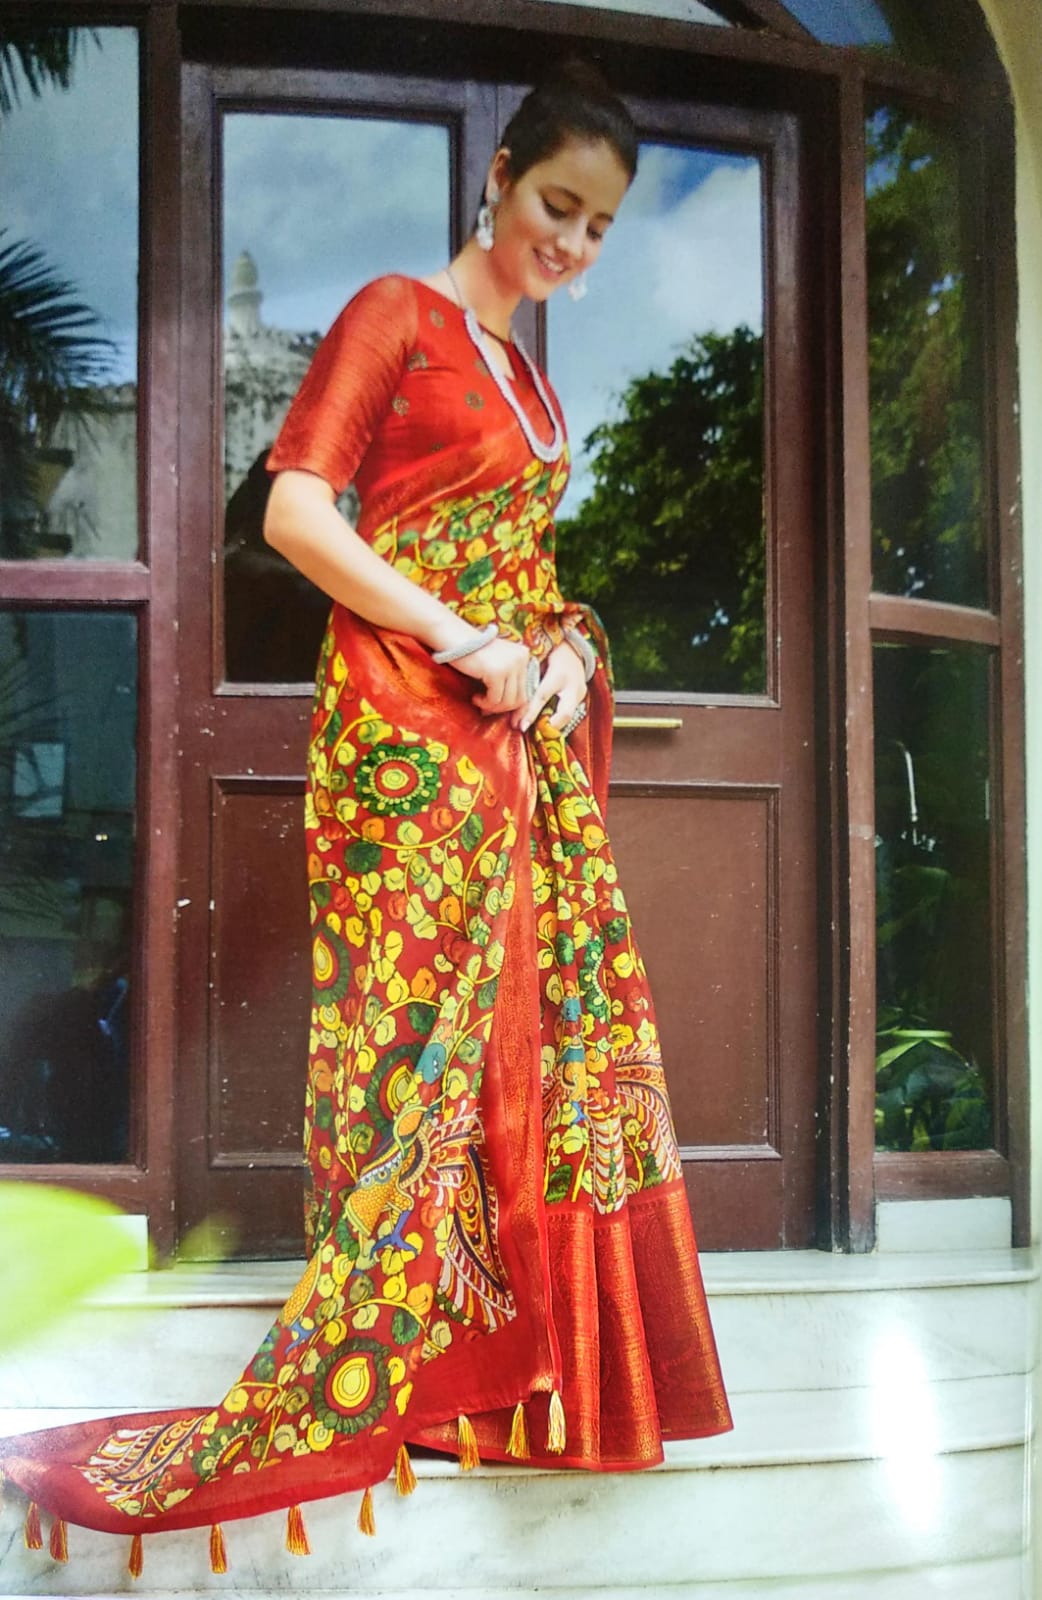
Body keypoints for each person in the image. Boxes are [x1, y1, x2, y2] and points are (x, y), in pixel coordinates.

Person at [0, 61, 732, 1571]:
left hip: (504, 750)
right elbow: (294, 511)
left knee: (531, 1059)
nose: (573, 246)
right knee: (414, 1065)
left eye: (598, 228)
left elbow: (528, 580)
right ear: (497, 177)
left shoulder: (532, 382)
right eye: (555, 206)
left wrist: (565, 647)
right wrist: (466, 645)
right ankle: (398, 1373)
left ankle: (520, 1389)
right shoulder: (394, 315)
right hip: (404, 749)